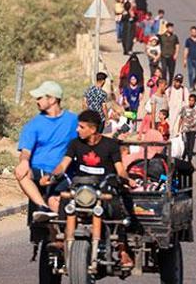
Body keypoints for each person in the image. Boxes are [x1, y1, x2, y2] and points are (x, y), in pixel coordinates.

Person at [38, 110, 135, 268]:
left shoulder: (110, 145)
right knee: (65, 199)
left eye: (81, 127)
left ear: (93, 129)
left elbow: (120, 169)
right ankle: (61, 240)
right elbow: (63, 165)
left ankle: (123, 250)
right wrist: (51, 176)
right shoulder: (75, 144)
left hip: (104, 189)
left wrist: (126, 179)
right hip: (81, 189)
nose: (77, 130)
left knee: (119, 208)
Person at [15, 81, 79, 216]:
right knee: (22, 172)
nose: (36, 101)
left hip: (63, 172)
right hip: (39, 171)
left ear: (52, 99)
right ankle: (42, 207)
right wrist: (24, 161)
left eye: (40, 98)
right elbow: (26, 150)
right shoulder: (33, 124)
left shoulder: (73, 121)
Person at [178, 94, 196, 163]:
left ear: (195, 101)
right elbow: (181, 118)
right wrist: (178, 129)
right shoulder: (184, 108)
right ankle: (183, 157)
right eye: (190, 100)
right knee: (186, 145)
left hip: (193, 129)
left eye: (193, 100)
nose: (191, 102)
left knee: (191, 145)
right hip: (185, 129)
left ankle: (189, 161)